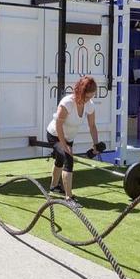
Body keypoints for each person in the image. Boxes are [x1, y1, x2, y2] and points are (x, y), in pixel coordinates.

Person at [46, 75, 101, 206]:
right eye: (87, 96)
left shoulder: (89, 105)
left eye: (91, 96)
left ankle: (54, 187)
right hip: (55, 135)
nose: (89, 99)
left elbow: (92, 126)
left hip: (69, 137)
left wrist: (96, 144)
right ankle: (69, 198)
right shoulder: (67, 103)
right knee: (67, 160)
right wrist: (64, 146)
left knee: (60, 159)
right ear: (80, 91)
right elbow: (59, 125)